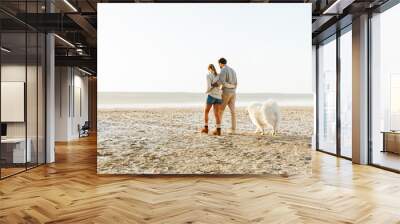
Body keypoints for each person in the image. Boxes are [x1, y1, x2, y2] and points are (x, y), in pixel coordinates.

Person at [216, 57, 237, 134]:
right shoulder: (233, 70)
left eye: (219, 64)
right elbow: (236, 84)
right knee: (233, 111)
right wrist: (232, 87)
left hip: (226, 92)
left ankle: (218, 128)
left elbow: (222, 82)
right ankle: (233, 129)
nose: (219, 66)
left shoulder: (223, 70)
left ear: (220, 63)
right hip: (233, 93)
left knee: (220, 110)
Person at [201, 64, 223, 136]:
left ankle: (206, 128)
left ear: (209, 69)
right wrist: (215, 85)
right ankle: (218, 131)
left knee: (206, 111)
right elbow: (220, 85)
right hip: (219, 97)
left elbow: (209, 86)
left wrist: (207, 91)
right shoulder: (219, 75)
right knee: (217, 114)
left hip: (211, 96)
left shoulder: (208, 75)